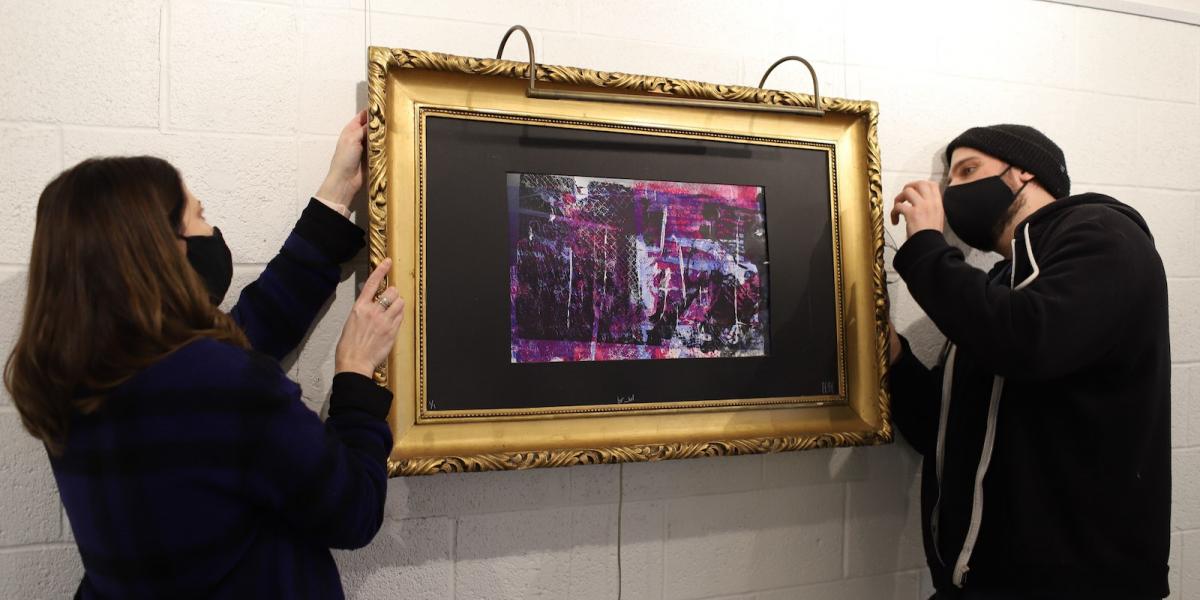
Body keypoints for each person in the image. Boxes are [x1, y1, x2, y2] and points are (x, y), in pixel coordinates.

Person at [3, 110, 405, 599]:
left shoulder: (69, 375)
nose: (211, 230)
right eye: (199, 215)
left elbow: (243, 338)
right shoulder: (218, 384)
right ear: (159, 249)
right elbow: (354, 510)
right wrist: (356, 372)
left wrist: (335, 195)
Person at [887, 124, 1170, 599]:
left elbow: (1028, 341)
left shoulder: (1105, 236)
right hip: (978, 584)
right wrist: (892, 357)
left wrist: (925, 249)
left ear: (1024, 172)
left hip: (1082, 585)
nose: (952, 191)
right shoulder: (998, 289)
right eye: (949, 179)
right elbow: (941, 424)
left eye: (968, 171)